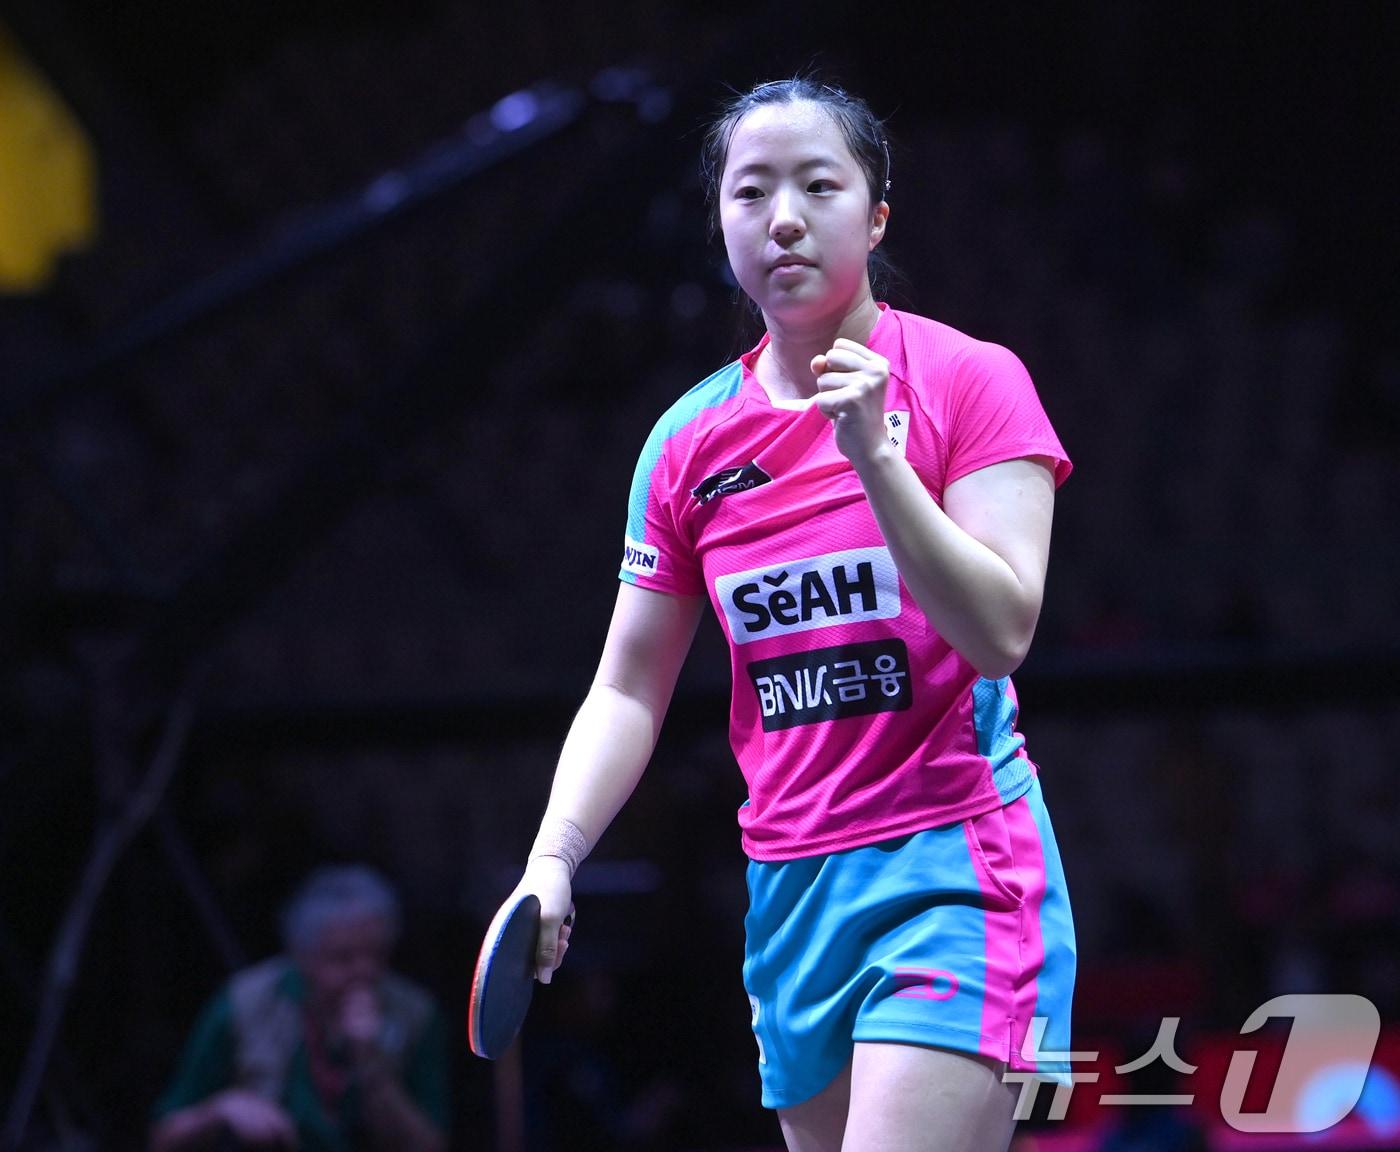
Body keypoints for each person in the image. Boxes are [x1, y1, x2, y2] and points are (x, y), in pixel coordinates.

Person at [505, 75, 1077, 1152]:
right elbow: (629, 685)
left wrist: (876, 461)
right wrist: (553, 857)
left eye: (818, 186)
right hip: (792, 892)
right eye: (749, 191)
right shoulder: (686, 444)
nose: (782, 218)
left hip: (954, 869)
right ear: (719, 222)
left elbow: (1000, 632)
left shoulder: (968, 381)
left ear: (875, 216)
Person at [150, 865, 449, 1152]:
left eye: (377, 955)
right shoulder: (245, 1003)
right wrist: (219, 1111)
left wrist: (371, 1063)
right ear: (303, 956)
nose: (364, 972)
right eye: (342, 958)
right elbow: (164, 1136)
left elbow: (429, 1144)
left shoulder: (416, 1013)